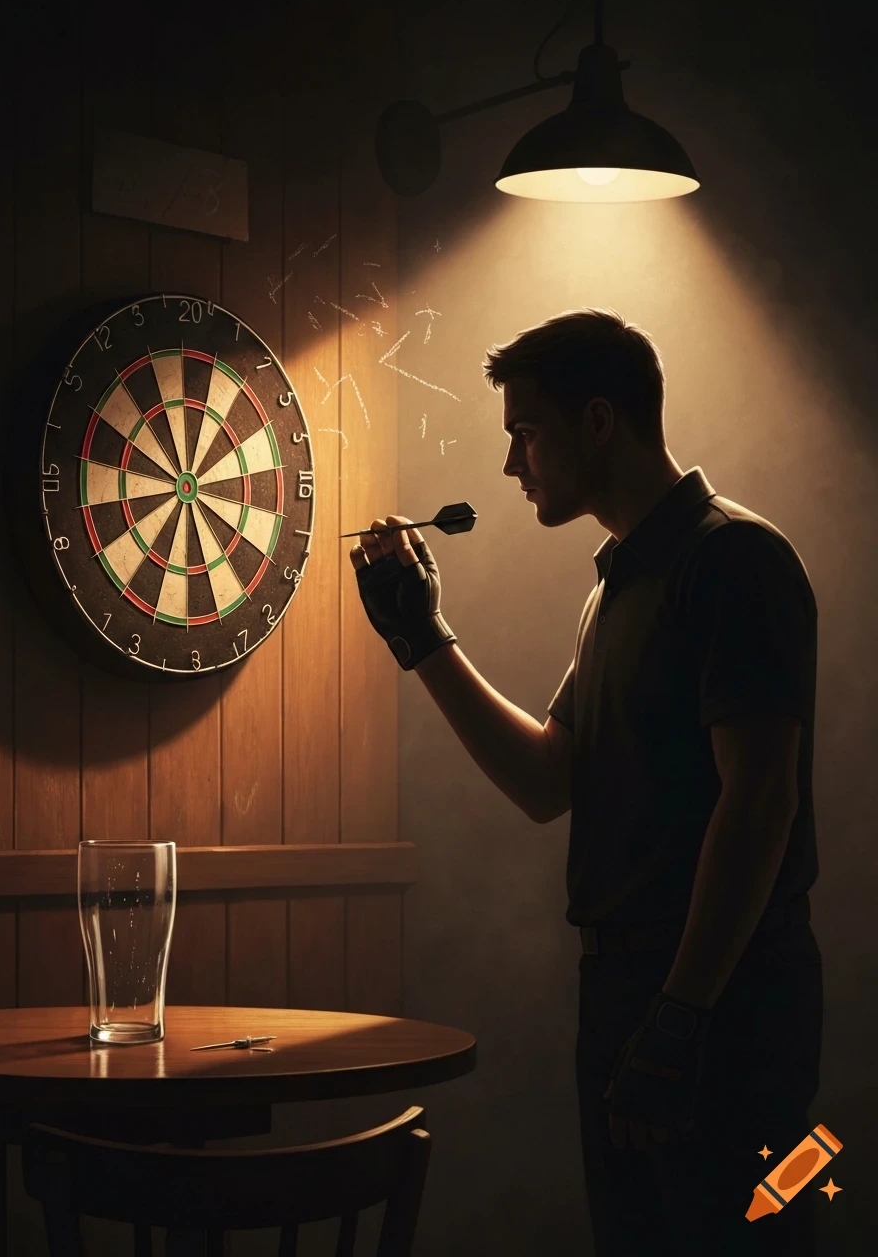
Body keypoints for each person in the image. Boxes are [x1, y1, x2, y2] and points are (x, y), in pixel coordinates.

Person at [350, 307, 822, 1257]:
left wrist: (683, 1015)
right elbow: (545, 780)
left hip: (725, 1001)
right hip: (631, 989)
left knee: (752, 1236)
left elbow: (760, 800)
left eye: (525, 432)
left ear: (599, 421)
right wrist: (422, 637)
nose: (511, 464)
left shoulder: (732, 559)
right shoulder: (614, 589)